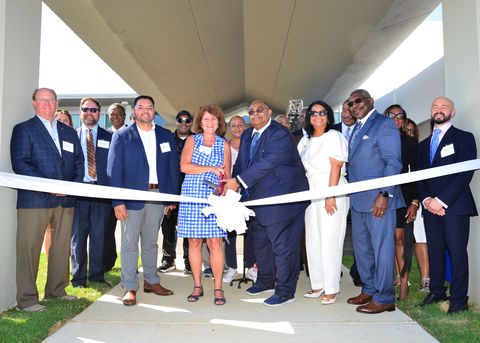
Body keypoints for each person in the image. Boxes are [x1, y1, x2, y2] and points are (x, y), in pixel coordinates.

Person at [222, 100, 309, 307]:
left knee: (282, 247)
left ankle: (286, 291)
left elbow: (267, 163)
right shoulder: (247, 135)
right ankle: (266, 281)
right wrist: (233, 186)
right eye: (251, 112)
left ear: (269, 112)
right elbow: (242, 164)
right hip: (256, 200)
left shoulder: (279, 133)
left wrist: (237, 182)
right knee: (260, 244)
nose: (255, 114)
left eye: (260, 110)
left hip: (281, 200)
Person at [10, 88, 84, 312]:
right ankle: (27, 299)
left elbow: (79, 162)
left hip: (65, 200)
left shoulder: (69, 131)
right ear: (34, 103)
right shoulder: (24, 129)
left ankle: (56, 290)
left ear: (56, 102)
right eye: (42, 100)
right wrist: (50, 187)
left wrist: (70, 186)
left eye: (51, 100)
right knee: (29, 248)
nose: (47, 104)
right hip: (35, 199)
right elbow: (21, 163)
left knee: (61, 247)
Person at [107, 95, 179, 306]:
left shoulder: (166, 135)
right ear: (134, 112)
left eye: (149, 107)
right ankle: (129, 287)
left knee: (150, 242)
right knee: (130, 243)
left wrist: (170, 198)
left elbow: (172, 168)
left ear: (154, 112)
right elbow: (113, 170)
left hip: (158, 196)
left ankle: (152, 281)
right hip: (131, 199)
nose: (145, 111)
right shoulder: (121, 136)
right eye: (141, 107)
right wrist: (117, 201)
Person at [416, 97, 477, 315]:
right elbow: (419, 177)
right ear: (430, 111)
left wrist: (440, 201)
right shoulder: (423, 146)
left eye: (444, 107)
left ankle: (459, 299)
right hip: (430, 208)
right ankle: (437, 291)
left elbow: (464, 173)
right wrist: (426, 201)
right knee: (435, 251)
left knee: (458, 253)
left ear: (453, 112)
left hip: (455, 206)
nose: (439, 110)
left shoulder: (464, 138)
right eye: (435, 106)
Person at [346, 89, 404, 314]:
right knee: (362, 249)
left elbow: (393, 163)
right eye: (351, 103)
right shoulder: (356, 128)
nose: (354, 105)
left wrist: (385, 194)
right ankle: (369, 289)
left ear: (370, 101)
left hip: (379, 201)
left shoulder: (384, 124)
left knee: (382, 249)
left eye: (358, 101)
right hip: (358, 201)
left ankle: (385, 298)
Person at [177, 105, 231, 306]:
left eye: (214, 119)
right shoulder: (192, 140)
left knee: (215, 243)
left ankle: (218, 287)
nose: (210, 123)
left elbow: (226, 176)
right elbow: (184, 167)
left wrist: (223, 190)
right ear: (200, 122)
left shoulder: (224, 145)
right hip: (191, 195)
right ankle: (197, 285)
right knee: (194, 242)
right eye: (206, 119)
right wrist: (210, 168)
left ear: (219, 123)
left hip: (214, 197)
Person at [298, 100, 349, 305]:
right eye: (313, 113)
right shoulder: (306, 140)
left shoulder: (334, 136)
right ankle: (317, 284)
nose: (317, 116)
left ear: (328, 116)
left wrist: (331, 195)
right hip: (311, 190)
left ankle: (332, 288)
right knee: (313, 238)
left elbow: (336, 166)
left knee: (330, 239)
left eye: (322, 113)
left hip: (331, 186)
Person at [70, 98, 113, 288]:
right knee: (78, 238)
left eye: (93, 110)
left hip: (101, 193)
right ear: (80, 112)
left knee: (98, 236)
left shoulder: (110, 136)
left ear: (99, 114)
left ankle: (96, 276)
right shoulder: (70, 135)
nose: (89, 112)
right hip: (78, 193)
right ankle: (78, 279)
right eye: (85, 109)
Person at [383, 104, 419, 300]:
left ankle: (404, 282)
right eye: (392, 115)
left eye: (400, 116)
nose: (396, 119)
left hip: (404, 194)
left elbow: (417, 173)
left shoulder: (411, 143)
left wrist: (414, 201)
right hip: (380, 195)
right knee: (383, 240)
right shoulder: (377, 139)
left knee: (400, 239)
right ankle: (383, 281)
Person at [158, 110, 194, 275]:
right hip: (170, 190)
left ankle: (189, 261)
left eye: (187, 120)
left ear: (191, 123)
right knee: (168, 226)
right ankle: (168, 259)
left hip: (191, 191)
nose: (184, 123)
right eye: (181, 120)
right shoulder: (167, 140)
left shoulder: (197, 141)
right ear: (176, 122)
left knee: (189, 227)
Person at [222, 116, 256, 284]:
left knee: (250, 229)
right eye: (233, 125)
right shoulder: (224, 146)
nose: (236, 128)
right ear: (229, 128)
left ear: (245, 127)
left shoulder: (251, 145)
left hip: (248, 191)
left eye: (240, 125)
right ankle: (232, 268)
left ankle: (250, 268)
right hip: (229, 192)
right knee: (230, 230)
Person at [332, 100, 362, 287]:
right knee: (334, 231)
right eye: (344, 110)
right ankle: (333, 271)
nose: (347, 113)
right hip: (337, 187)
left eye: (351, 110)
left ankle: (360, 271)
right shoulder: (330, 131)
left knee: (360, 232)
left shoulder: (364, 129)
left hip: (361, 188)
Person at [43, 110, 74, 265]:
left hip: (69, 194)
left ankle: (62, 266)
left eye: (66, 120)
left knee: (66, 232)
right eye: (59, 119)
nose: (62, 122)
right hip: (49, 193)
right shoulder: (47, 139)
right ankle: (50, 264)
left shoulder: (72, 138)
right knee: (50, 230)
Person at [406, 118, 430, 293]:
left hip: (419, 199)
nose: (409, 134)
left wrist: (415, 201)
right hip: (398, 201)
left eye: (412, 131)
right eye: (406, 131)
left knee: (420, 239)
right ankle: (400, 278)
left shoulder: (422, 151)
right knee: (398, 240)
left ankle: (425, 281)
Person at [104, 103, 128, 273]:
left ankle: (130, 265)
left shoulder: (132, 134)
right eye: (112, 114)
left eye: (118, 114)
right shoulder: (104, 135)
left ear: (124, 116)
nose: (115, 117)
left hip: (128, 192)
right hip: (107, 191)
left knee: (130, 234)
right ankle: (108, 263)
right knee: (107, 229)